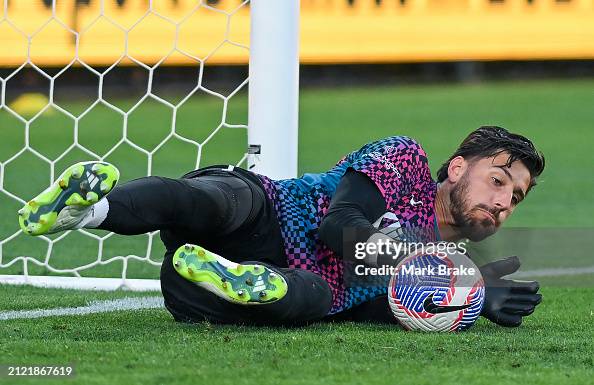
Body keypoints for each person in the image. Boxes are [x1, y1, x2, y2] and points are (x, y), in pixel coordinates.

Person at [18, 126, 544, 327]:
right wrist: (436, 272)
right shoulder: (403, 158)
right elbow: (337, 227)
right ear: (456, 168)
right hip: (267, 209)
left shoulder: (440, 272)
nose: (503, 202)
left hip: (205, 285)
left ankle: (233, 280)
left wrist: (466, 301)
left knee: (314, 300)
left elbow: (373, 314)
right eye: (498, 180)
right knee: (213, 200)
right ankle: (89, 210)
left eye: (515, 197)